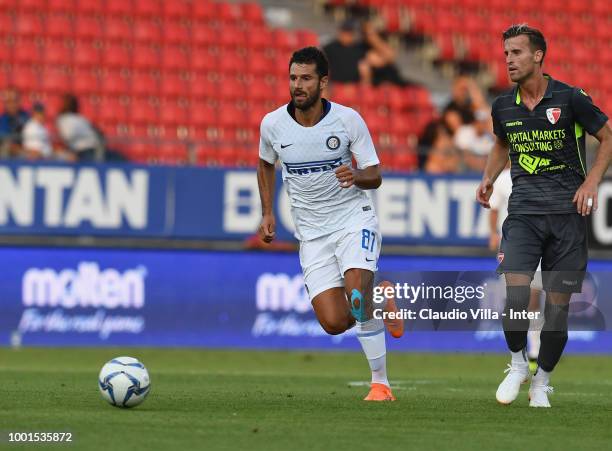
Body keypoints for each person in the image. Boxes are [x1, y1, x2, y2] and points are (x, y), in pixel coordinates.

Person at [257, 47, 404, 401]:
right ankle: (380, 297)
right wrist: (267, 212)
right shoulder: (273, 124)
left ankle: (380, 383)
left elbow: (375, 174)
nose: (297, 85)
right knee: (335, 322)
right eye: (293, 77)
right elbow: (265, 163)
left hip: (353, 220)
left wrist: (355, 175)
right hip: (311, 233)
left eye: (305, 78)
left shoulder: (348, 120)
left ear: (323, 82)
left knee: (356, 293)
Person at [476, 24, 611, 408]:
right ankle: (518, 364)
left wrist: (592, 183)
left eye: (516, 53)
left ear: (538, 56)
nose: (508, 61)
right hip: (523, 215)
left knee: (556, 311)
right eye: (505, 54)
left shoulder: (571, 99)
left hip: (567, 218)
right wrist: (488, 178)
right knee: (516, 297)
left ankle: (542, 381)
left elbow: (608, 138)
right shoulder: (503, 105)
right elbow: (502, 142)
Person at [488, 165, 543, 369]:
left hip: (536, 242)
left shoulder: (539, 174)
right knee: (516, 298)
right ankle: (517, 354)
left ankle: (535, 351)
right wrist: (493, 233)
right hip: (511, 243)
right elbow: (494, 208)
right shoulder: (502, 178)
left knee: (534, 297)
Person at [56, 94, 103, 162]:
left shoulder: (64, 119)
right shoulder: (80, 118)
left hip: (84, 151)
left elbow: (68, 136)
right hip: (91, 149)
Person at [0, 87, 30, 156]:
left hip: (29, 153)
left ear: (19, 101)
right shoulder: (2, 120)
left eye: (14, 101)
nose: (12, 105)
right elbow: (6, 143)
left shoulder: (27, 118)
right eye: (9, 102)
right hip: (10, 156)